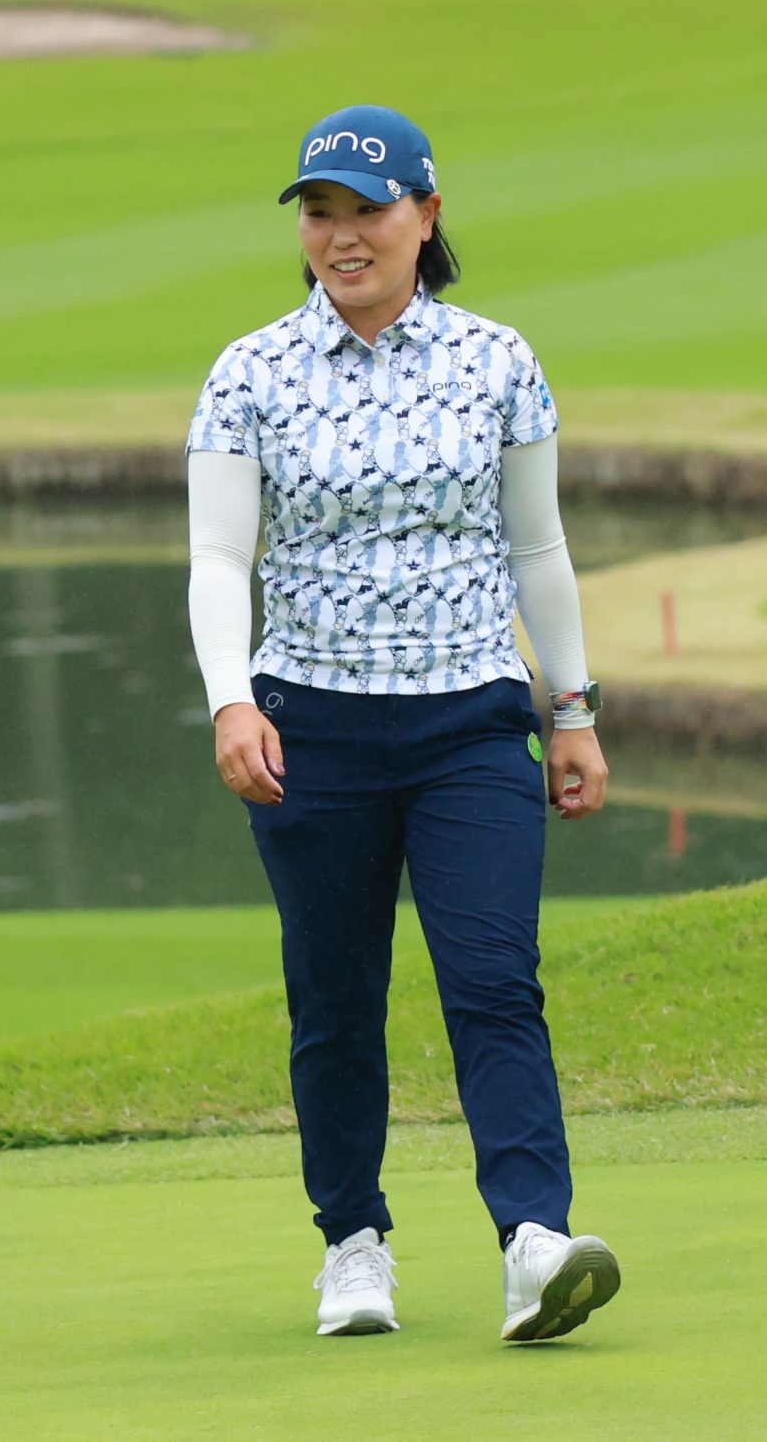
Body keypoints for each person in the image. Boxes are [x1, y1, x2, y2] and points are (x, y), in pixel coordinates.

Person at [185, 104, 622, 1341]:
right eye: (320, 213)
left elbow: (536, 549)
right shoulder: (249, 373)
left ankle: (534, 1242)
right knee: (334, 1000)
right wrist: (229, 698)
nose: (343, 236)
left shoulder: (497, 361)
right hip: (309, 728)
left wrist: (572, 708)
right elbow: (218, 558)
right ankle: (353, 1244)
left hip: (470, 722)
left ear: (426, 216)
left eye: (368, 211)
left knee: (494, 980)